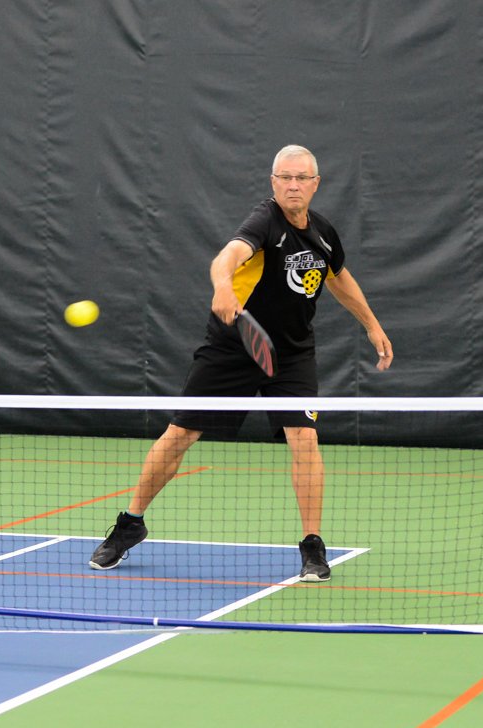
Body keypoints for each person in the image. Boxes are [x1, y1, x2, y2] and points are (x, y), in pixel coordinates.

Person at [88, 145, 393, 581]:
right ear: (273, 182)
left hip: (291, 355)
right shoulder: (264, 221)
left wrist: (372, 325)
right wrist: (223, 287)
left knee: (304, 439)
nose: (292, 185)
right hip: (233, 348)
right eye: (285, 177)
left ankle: (312, 545)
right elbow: (228, 256)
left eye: (301, 178)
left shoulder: (323, 233)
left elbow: (338, 277)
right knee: (179, 435)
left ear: (315, 184)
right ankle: (131, 523)